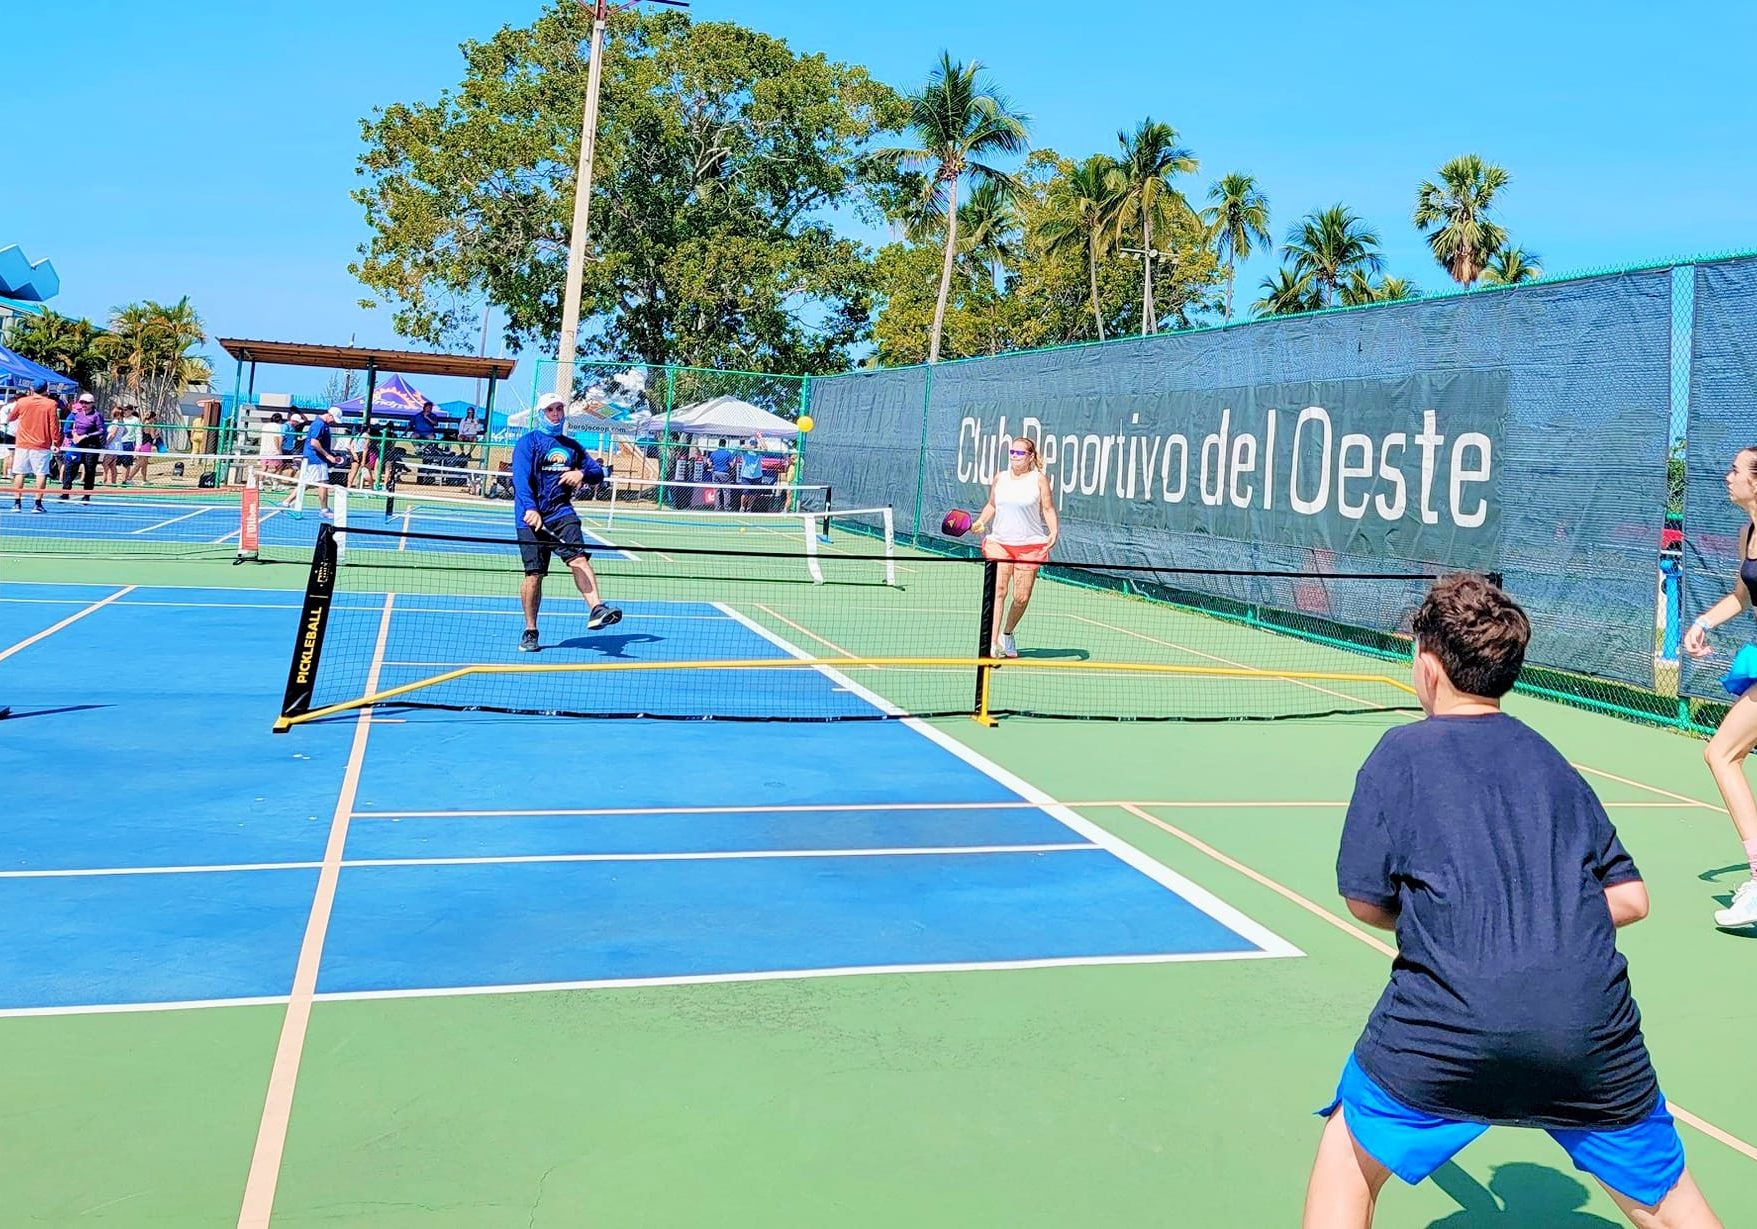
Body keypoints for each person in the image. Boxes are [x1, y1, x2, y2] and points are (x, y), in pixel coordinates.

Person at [1303, 574, 1720, 1229]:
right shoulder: (1551, 761)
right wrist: (1544, 916)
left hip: (1441, 1031)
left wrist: (1456, 920)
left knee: (1347, 1165)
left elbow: (1364, 901)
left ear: (1428, 667)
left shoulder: (1398, 753)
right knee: (1673, 1208)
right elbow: (1630, 898)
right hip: (1587, 1031)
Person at [1682, 445, 1757, 930]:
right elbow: (1743, 596)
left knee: (1722, 754)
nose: (1727, 477)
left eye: (1736, 470)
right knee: (1726, 754)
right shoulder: (1747, 533)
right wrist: (1703, 622)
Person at [512, 392, 620, 652]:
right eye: (550, 410)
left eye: (559, 409)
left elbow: (597, 473)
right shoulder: (528, 443)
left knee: (578, 558)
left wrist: (581, 473)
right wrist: (530, 509)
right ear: (541, 414)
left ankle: (596, 608)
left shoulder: (573, 447)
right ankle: (530, 630)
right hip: (529, 518)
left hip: (561, 513)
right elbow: (520, 480)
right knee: (534, 575)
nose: (555, 414)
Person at [970, 435, 1058, 659]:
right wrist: (981, 521)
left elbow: (1047, 508)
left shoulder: (1039, 480)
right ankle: (991, 643)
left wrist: (1054, 531)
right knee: (999, 591)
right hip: (999, 543)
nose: (1014, 456)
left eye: (1019, 453)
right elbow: (991, 505)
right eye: (1012, 452)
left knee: (1021, 597)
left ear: (1030, 457)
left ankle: (1007, 633)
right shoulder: (1000, 478)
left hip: (1029, 546)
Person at [8, 382, 61, 512]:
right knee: (41, 473)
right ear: (46, 389)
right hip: (41, 444)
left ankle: (17, 503)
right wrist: (56, 442)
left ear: (32, 388)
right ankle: (37, 504)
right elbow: (54, 425)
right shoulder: (51, 404)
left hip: (23, 443)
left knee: (19, 473)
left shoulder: (22, 402)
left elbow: (11, 417)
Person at [285, 407, 343, 518]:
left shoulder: (323, 424)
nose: (334, 422)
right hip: (316, 458)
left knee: (307, 482)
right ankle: (324, 510)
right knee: (322, 483)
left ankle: (286, 502)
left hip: (315, 458)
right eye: (333, 419)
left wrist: (330, 454)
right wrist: (328, 456)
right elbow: (314, 442)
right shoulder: (319, 424)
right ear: (329, 415)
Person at [59, 392, 105, 501]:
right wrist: (74, 434)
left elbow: (101, 430)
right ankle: (65, 492)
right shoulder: (77, 414)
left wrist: (86, 436)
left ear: (92, 403)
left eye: (86, 403)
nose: (84, 405)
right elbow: (70, 428)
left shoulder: (96, 415)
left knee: (89, 470)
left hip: (91, 446)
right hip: (77, 445)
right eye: (82, 402)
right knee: (70, 467)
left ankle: (86, 494)